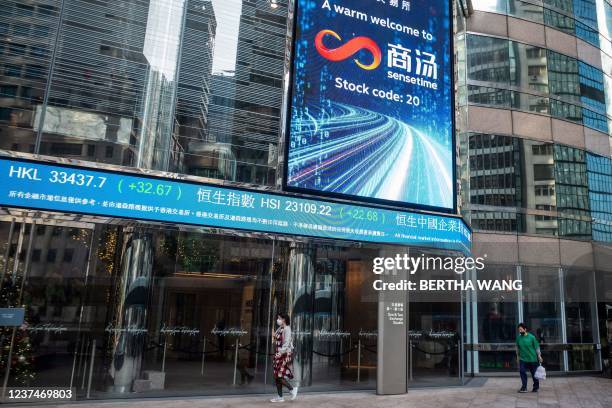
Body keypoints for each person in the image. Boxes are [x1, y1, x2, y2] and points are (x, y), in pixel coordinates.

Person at [270, 312, 298, 402]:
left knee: (279, 375)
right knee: (277, 376)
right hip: (278, 354)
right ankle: (280, 397)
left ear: (284, 319)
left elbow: (286, 343)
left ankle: (292, 389)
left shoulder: (287, 329)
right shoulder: (280, 328)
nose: (278, 320)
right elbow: (276, 339)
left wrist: (280, 352)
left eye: (279, 318)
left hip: (283, 355)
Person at [516, 323, 543, 393]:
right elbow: (517, 348)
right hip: (523, 359)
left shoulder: (532, 337)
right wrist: (517, 357)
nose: (520, 331)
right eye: (519, 330)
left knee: (534, 374)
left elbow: (537, 347)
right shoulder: (518, 338)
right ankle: (524, 387)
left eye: (521, 330)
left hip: (532, 359)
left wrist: (539, 356)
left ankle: (536, 387)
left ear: (525, 329)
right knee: (522, 371)